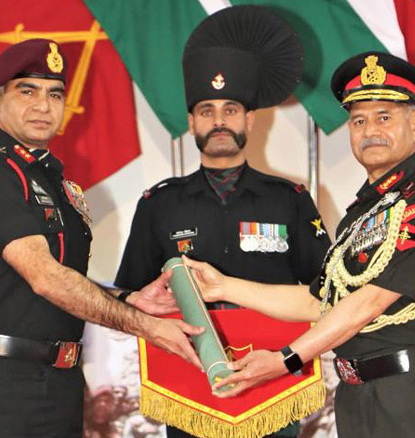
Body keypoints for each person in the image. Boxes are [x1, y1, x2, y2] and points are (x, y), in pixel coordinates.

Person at [185, 51, 415, 438]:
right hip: (359, 394)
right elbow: (317, 303)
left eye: (384, 117)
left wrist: (287, 360)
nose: (370, 130)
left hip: (411, 393)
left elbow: (368, 302)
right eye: (358, 120)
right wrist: (222, 286)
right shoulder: (362, 216)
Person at [0, 38, 203, 438]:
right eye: (26, 91)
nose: (42, 106)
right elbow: (46, 278)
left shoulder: (58, 183)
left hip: (60, 381)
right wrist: (147, 327)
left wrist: (128, 299)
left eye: (54, 94)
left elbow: (64, 279)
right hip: (3, 385)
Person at [114, 6, 331, 438]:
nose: (219, 121)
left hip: (273, 382)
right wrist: (138, 302)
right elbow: (128, 295)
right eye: (207, 110)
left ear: (250, 119)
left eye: (230, 109)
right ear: (192, 121)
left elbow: (326, 294)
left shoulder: (292, 201)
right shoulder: (159, 203)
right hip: (190, 385)